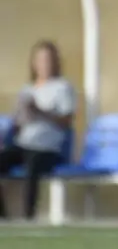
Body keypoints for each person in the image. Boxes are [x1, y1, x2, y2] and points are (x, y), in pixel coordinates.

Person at [0, 41, 75, 220]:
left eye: (48, 59)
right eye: (40, 60)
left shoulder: (63, 87)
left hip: (47, 148)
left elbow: (66, 121)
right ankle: (3, 218)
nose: (44, 64)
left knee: (32, 166)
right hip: (23, 143)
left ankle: (28, 217)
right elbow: (17, 122)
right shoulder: (27, 89)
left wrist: (40, 112)